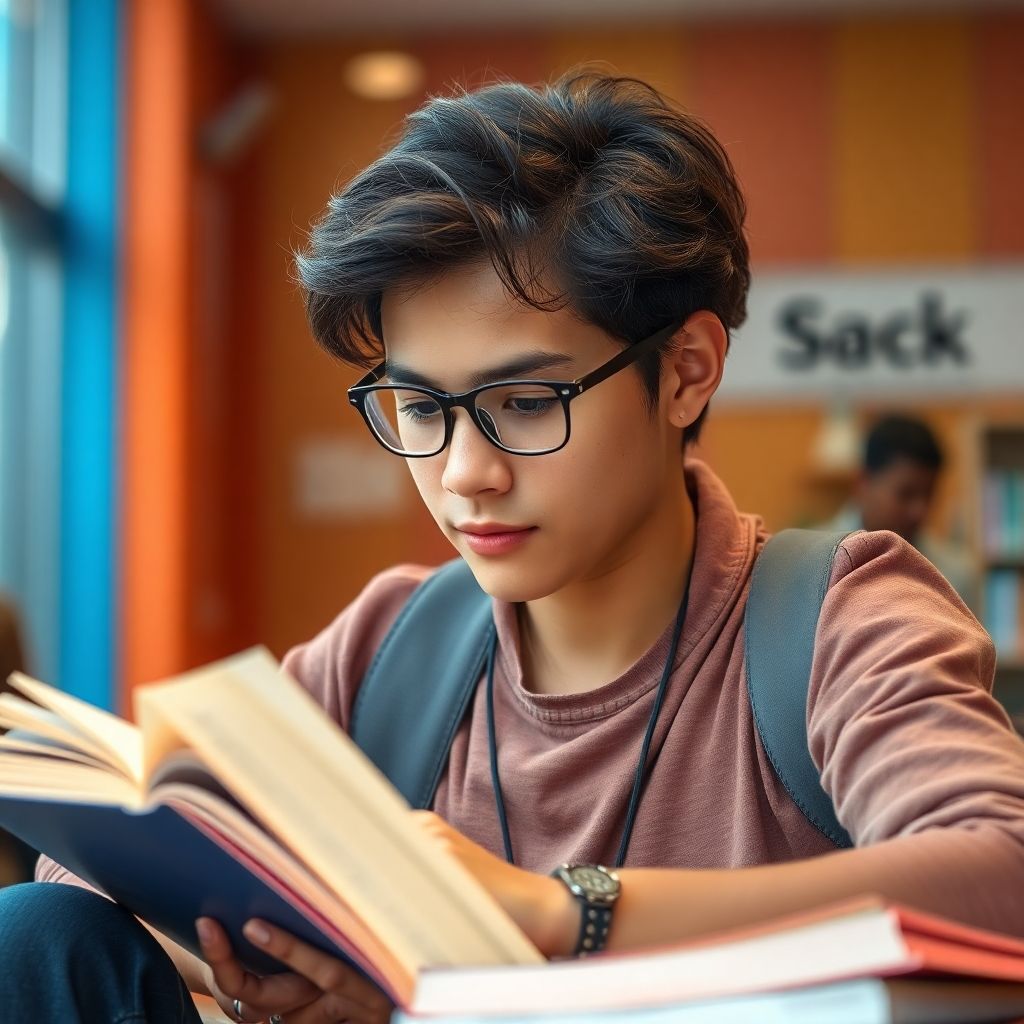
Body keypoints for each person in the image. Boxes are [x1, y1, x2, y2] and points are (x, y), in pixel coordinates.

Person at [3, 71, 1024, 1024]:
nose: (463, 472)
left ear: (685, 371)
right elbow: (96, 872)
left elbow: (1002, 875)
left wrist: (559, 917)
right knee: (38, 938)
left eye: (525, 403)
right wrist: (310, 965)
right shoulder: (395, 644)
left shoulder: (833, 619)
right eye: (418, 406)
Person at [824, 413, 980, 613]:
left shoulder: (957, 575)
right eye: (906, 494)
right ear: (862, 483)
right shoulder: (816, 564)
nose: (919, 510)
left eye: (929, 494)